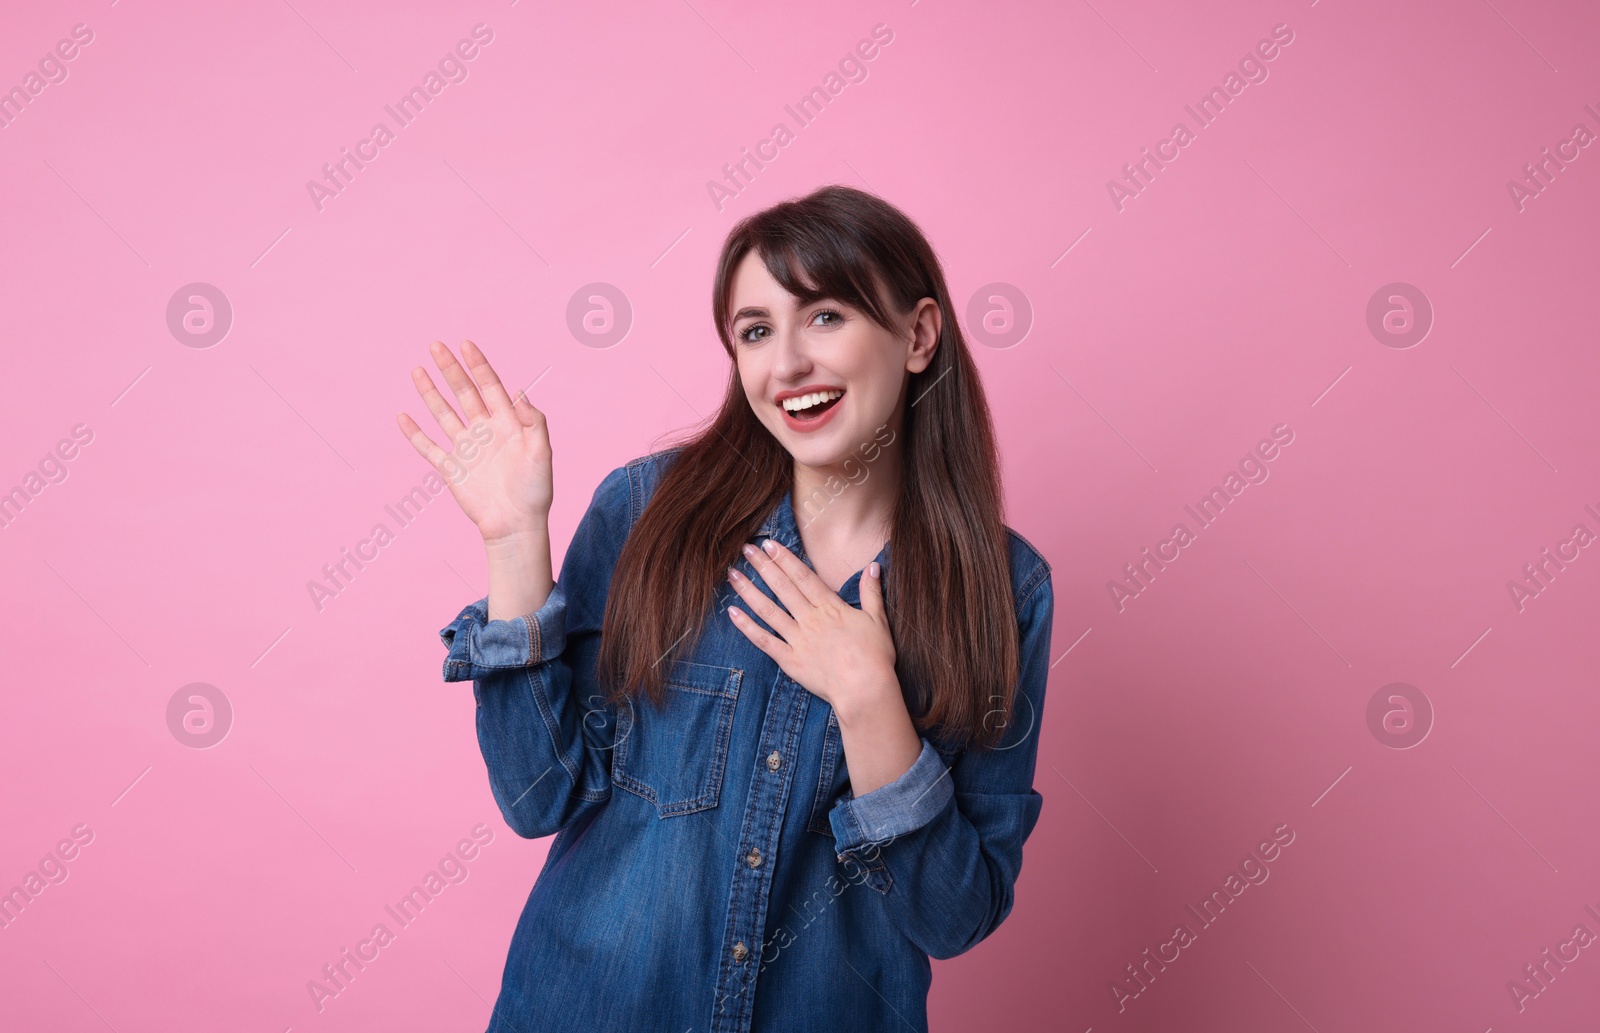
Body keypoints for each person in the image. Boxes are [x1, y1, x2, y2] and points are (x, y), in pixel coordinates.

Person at [397, 184, 1054, 1033]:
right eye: (754, 332)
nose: (786, 365)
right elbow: (538, 797)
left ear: (919, 334)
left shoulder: (1005, 589)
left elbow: (953, 915)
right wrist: (515, 542)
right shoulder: (646, 512)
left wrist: (869, 701)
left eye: (824, 317)